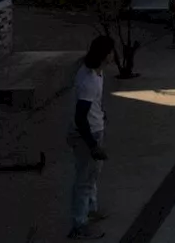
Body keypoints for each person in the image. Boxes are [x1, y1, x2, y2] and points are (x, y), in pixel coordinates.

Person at [68, 36, 115, 240]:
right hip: (86, 135)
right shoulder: (88, 81)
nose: (115, 55)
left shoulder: (98, 72)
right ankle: (79, 224)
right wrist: (92, 144)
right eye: (112, 51)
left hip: (96, 128)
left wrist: (101, 112)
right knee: (84, 180)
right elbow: (80, 117)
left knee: (92, 175)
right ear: (105, 55)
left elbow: (93, 104)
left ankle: (91, 208)